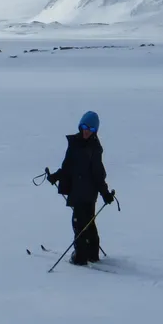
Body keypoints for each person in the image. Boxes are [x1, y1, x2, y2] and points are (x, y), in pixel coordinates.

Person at [46, 111, 115, 265]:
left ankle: (81, 257)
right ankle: (92, 254)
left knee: (81, 224)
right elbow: (68, 166)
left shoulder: (95, 148)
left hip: (88, 193)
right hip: (76, 190)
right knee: (87, 223)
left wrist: (105, 193)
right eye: (84, 126)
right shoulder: (75, 144)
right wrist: (55, 176)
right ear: (80, 126)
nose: (86, 131)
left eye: (90, 129)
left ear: (95, 131)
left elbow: (98, 174)